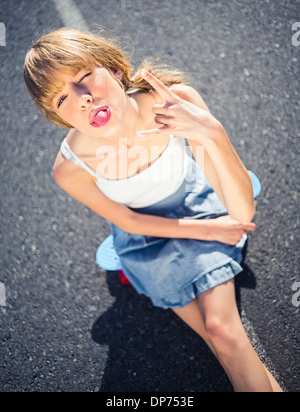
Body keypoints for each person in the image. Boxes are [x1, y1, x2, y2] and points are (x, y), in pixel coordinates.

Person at [23, 27, 282, 392]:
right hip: (145, 238)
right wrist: (205, 231)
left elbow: (242, 215)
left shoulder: (172, 103)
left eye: (84, 77)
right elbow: (127, 219)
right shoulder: (70, 168)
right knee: (219, 339)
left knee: (222, 333)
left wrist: (213, 133)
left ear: (114, 69)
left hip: (196, 206)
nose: (81, 98)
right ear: (60, 117)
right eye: (61, 100)